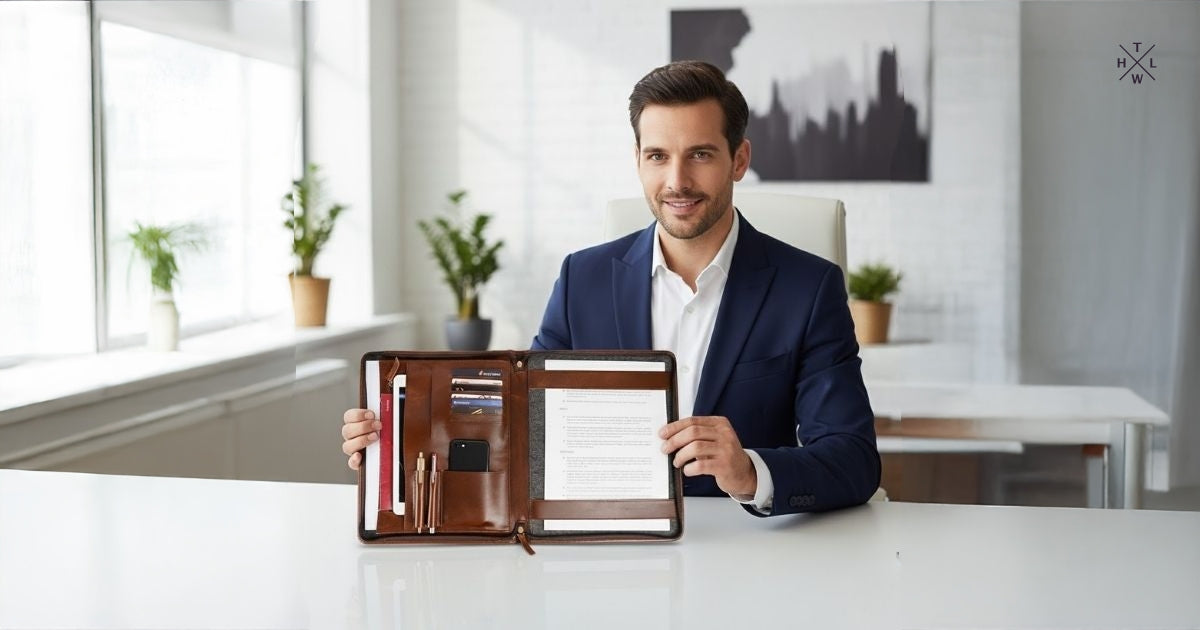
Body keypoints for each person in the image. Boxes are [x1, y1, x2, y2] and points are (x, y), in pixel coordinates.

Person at [342, 60, 879, 516]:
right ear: (638, 159)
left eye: (700, 154)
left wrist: (749, 472)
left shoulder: (808, 288)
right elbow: (524, 423)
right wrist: (400, 441)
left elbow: (854, 458)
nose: (677, 182)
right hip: (606, 543)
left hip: (749, 554)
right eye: (658, 156)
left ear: (739, 158)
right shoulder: (584, 278)